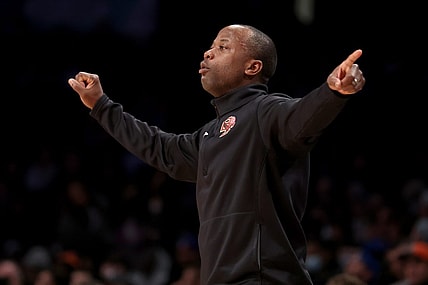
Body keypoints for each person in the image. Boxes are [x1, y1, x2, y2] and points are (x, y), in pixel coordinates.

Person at [68, 24, 365, 285]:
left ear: (252, 67)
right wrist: (100, 105)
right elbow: (160, 149)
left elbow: (302, 117)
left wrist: (333, 92)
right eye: (210, 47)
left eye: (223, 47)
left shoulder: (267, 110)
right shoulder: (210, 134)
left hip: (264, 278)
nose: (208, 53)